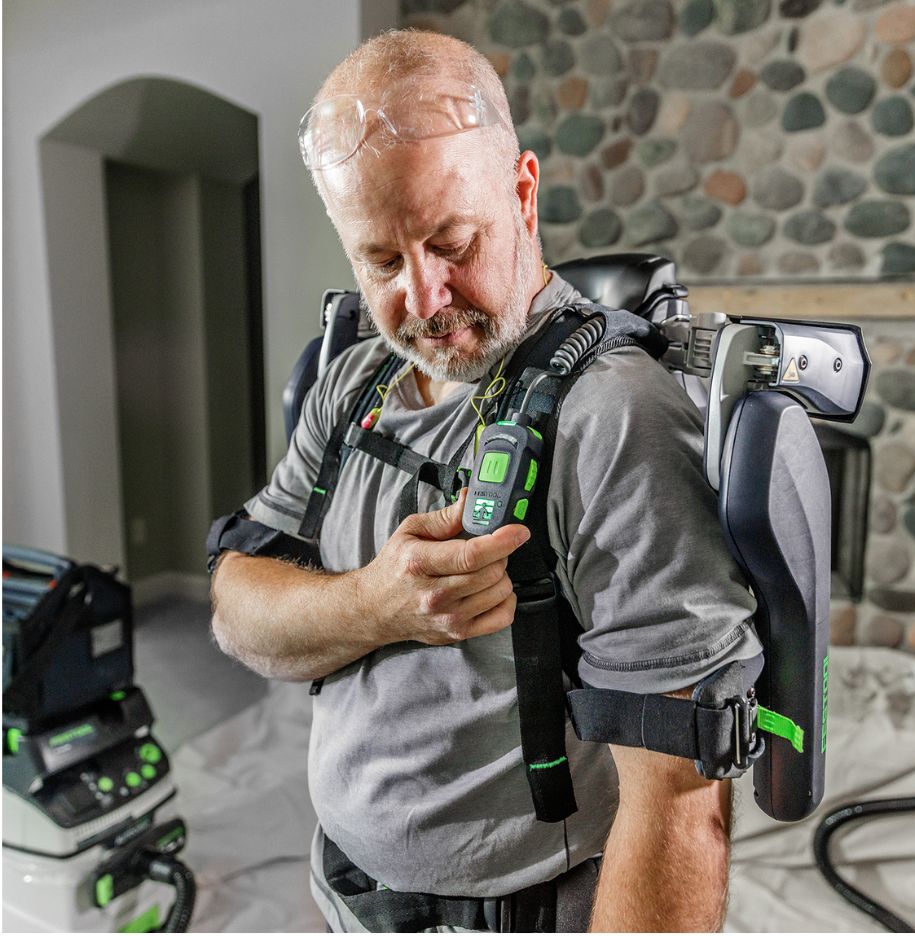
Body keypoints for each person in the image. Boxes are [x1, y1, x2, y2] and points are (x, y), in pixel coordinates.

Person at [210, 29, 761, 933]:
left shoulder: (615, 415)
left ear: (524, 191)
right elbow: (236, 608)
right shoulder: (352, 383)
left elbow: (679, 798)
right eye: (381, 261)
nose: (424, 298)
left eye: (450, 241)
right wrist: (377, 604)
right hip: (340, 887)